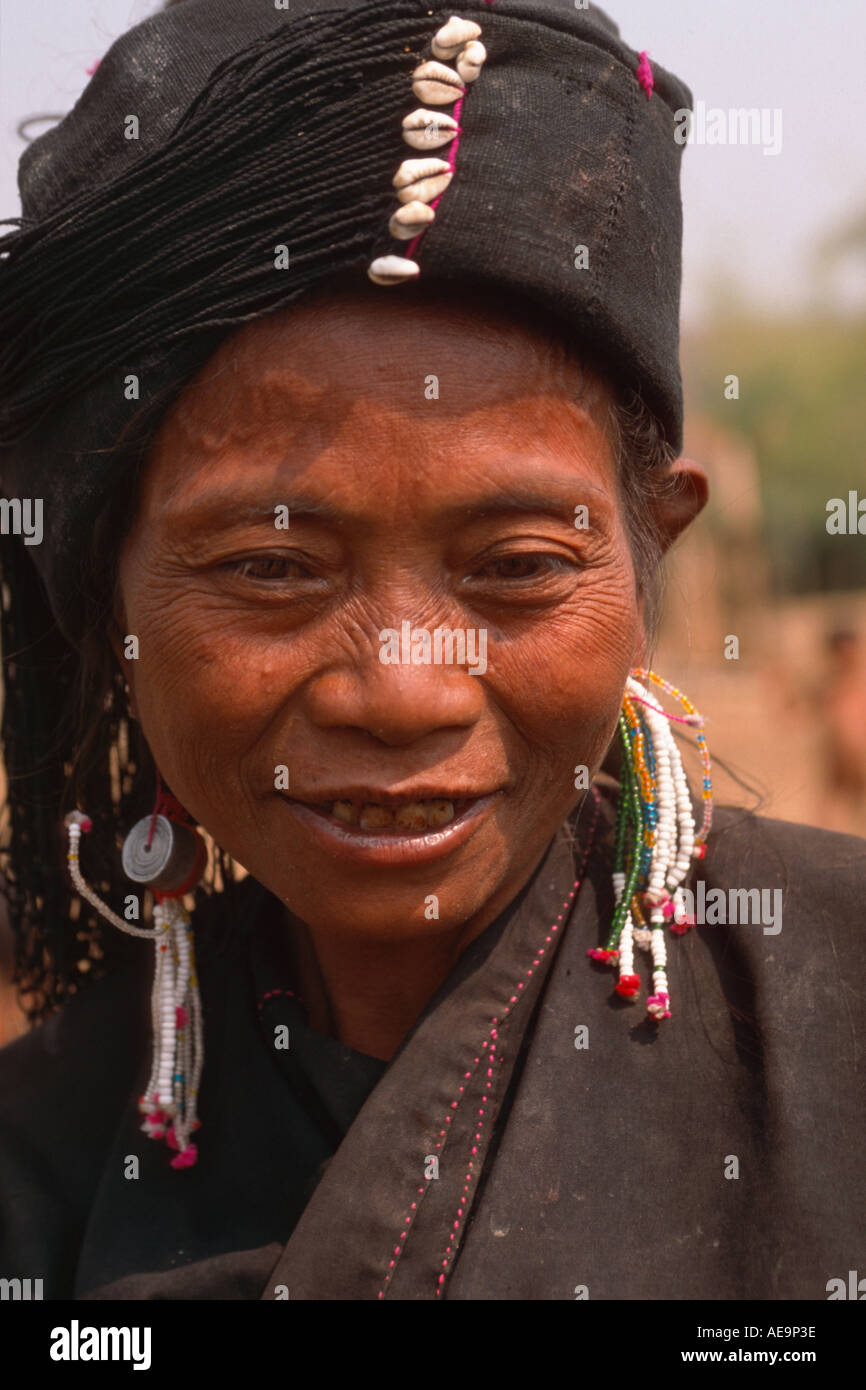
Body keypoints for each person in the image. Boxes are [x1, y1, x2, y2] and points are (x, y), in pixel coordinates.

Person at [0, 0, 863, 1302]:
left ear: (652, 548)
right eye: (270, 569)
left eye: (517, 567)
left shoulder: (837, 1020)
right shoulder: (43, 1149)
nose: (400, 688)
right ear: (98, 588)